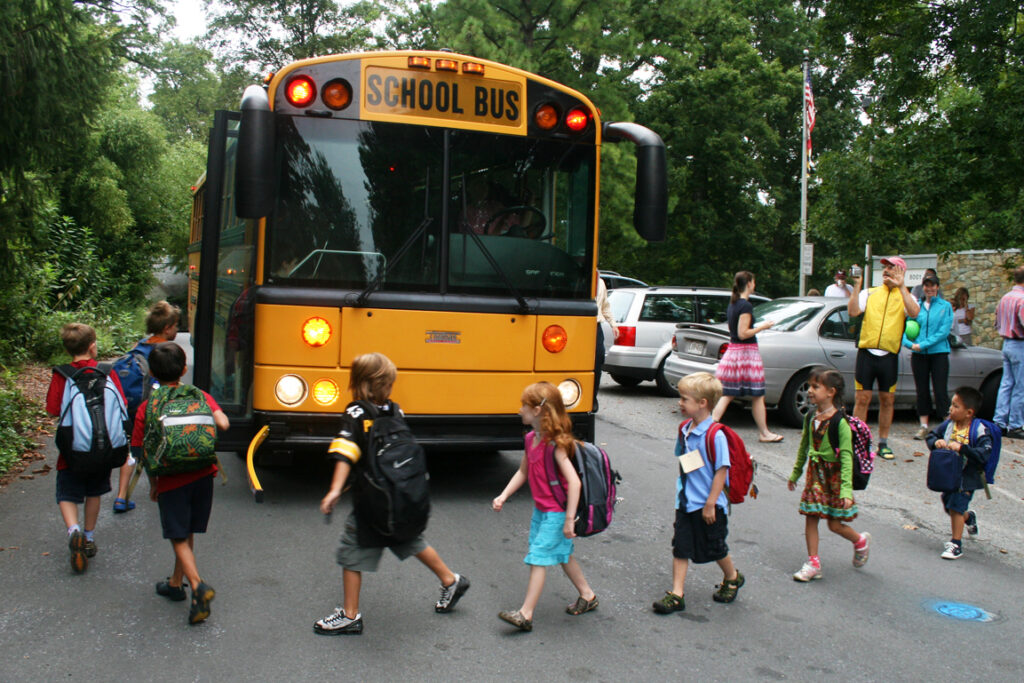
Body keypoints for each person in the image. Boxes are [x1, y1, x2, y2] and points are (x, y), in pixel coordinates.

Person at [315, 353, 470, 635]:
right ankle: (450, 579)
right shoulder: (395, 411)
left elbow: (345, 452)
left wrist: (335, 489)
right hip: (398, 494)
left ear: (358, 382)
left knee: (351, 551)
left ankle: (350, 615)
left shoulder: (355, 413)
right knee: (407, 537)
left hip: (372, 499)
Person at [132, 342, 229, 624]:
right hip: (203, 472)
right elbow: (223, 424)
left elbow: (140, 452)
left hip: (171, 479)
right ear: (184, 369)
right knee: (187, 531)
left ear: (151, 372)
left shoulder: (147, 407)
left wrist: (153, 483)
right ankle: (176, 583)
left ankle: (198, 586)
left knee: (177, 535)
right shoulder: (199, 395)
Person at [492, 381, 598, 632]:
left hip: (557, 513)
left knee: (538, 558)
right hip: (542, 511)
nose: (519, 411)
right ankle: (588, 595)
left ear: (537, 411)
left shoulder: (556, 444)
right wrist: (503, 495)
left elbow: (574, 483)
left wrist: (570, 519)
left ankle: (525, 614)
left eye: (523, 406)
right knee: (562, 554)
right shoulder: (531, 439)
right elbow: (523, 472)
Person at [652, 372, 744, 613]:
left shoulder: (717, 435)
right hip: (686, 502)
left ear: (702, 403)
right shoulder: (685, 429)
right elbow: (686, 461)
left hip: (710, 504)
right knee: (680, 546)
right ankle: (676, 594)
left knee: (715, 547)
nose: (680, 403)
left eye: (685, 399)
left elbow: (721, 471)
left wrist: (710, 503)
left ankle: (732, 576)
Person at [45, 323, 128, 574]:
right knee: (94, 492)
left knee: (66, 493)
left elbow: (52, 408)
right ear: (92, 346)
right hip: (102, 448)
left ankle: (74, 531)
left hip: (73, 450)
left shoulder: (63, 374)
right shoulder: (105, 372)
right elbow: (122, 403)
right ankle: (89, 538)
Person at [787, 367, 871, 581]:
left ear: (831, 392)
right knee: (811, 516)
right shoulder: (810, 418)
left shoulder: (840, 422)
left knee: (834, 525)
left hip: (833, 478)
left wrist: (846, 490)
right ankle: (813, 562)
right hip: (815, 477)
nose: (809, 391)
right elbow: (804, 447)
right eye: (810, 386)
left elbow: (846, 457)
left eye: (815, 386)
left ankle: (859, 541)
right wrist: (796, 473)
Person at [848, 257, 921, 459]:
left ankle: (883, 443)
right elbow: (853, 311)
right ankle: (858, 442)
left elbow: (914, 313)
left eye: (892, 268)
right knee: (862, 398)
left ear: (901, 272)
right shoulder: (870, 293)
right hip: (867, 352)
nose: (886, 271)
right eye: (885, 268)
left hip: (889, 355)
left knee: (887, 400)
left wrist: (902, 286)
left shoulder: (905, 296)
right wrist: (856, 286)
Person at [113, 300, 181, 513]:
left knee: (132, 451)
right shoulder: (168, 349)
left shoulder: (139, 345)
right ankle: (159, 489)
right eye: (176, 325)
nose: (178, 330)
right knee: (157, 448)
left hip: (132, 406)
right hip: (155, 407)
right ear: (167, 328)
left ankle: (121, 497)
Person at [712, 271, 784, 443]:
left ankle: (709, 426)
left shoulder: (733, 304)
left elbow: (734, 332)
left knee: (728, 393)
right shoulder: (745, 306)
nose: (754, 284)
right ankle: (764, 433)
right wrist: (763, 327)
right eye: (754, 281)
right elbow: (743, 333)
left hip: (734, 351)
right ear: (750, 283)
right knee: (757, 394)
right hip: (746, 353)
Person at [925, 387, 993, 560]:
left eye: (955, 406)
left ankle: (956, 544)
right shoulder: (949, 425)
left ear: (969, 412)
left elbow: (984, 454)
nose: (950, 409)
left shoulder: (979, 430)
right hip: (949, 475)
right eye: (951, 405)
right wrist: (936, 442)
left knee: (956, 505)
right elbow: (931, 436)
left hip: (968, 477)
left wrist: (963, 448)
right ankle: (968, 518)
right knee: (949, 504)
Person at [905, 273, 954, 440]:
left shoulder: (945, 306)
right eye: (927, 285)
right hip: (919, 355)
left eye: (933, 285)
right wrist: (909, 344)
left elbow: (943, 332)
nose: (930, 288)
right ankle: (923, 426)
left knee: (940, 389)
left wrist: (922, 344)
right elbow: (905, 328)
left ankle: (947, 425)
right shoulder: (916, 306)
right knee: (922, 390)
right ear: (923, 287)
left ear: (937, 287)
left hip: (938, 353)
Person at [993, 265, 1024, 440]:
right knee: (1021, 386)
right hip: (1020, 344)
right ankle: (1016, 423)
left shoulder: (1005, 298)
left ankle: (999, 421)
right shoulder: (1022, 299)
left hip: (1006, 342)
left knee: (1006, 384)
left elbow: (997, 321)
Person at [594, 275, 617, 412]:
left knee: (599, 358)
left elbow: (605, 306)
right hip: (580, 323)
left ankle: (592, 398)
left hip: (596, 325)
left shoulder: (600, 282)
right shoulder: (582, 280)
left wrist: (613, 324)